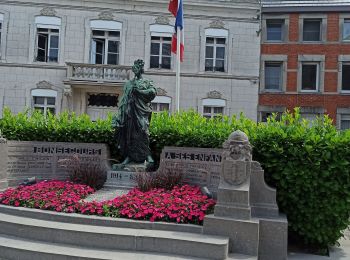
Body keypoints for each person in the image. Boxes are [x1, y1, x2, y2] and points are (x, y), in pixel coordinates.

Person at [112, 59, 156, 168]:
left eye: (137, 68)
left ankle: (148, 156)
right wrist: (120, 117)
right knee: (129, 135)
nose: (135, 70)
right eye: (134, 68)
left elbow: (153, 92)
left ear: (141, 69)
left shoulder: (147, 82)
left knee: (143, 131)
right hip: (130, 112)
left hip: (142, 111)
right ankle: (129, 157)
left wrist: (140, 92)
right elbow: (123, 101)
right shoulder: (128, 84)